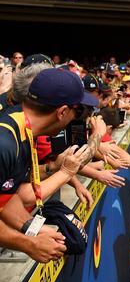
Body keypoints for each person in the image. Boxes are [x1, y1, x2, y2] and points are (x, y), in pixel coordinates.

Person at [0, 68, 100, 262]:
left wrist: (34, 228)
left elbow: (5, 199)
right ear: (62, 112)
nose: (77, 119)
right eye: (78, 111)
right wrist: (27, 243)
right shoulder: (5, 142)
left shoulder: (21, 128)